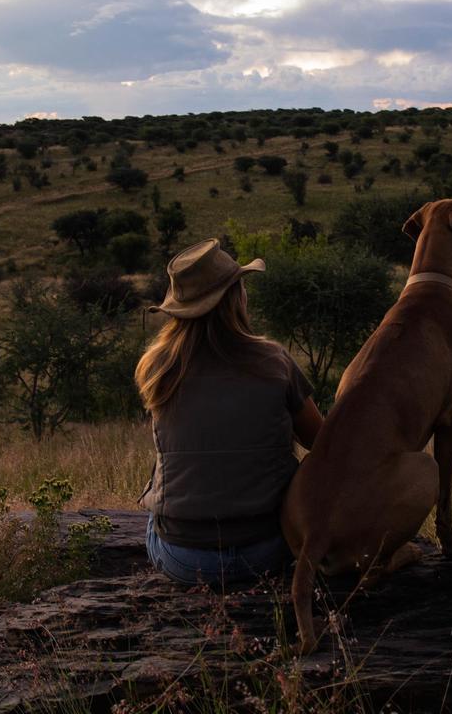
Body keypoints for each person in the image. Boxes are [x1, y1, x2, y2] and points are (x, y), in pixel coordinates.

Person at [135, 238, 323, 585]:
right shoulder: (274, 361)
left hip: (183, 558)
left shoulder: (157, 367)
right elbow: (321, 443)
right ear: (236, 297)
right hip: (267, 550)